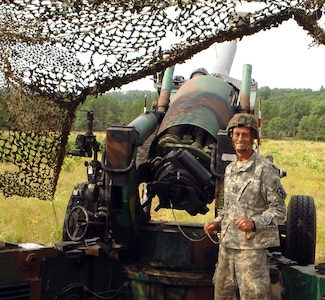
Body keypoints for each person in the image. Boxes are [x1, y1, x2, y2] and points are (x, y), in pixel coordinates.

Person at [204, 113, 287, 300]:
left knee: (253, 296)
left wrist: (254, 222)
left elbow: (280, 210)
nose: (240, 138)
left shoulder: (264, 169)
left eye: (245, 135)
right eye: (237, 134)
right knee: (222, 294)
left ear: (253, 139)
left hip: (251, 250)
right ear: (232, 137)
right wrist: (216, 223)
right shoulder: (230, 169)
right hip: (226, 247)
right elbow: (228, 207)